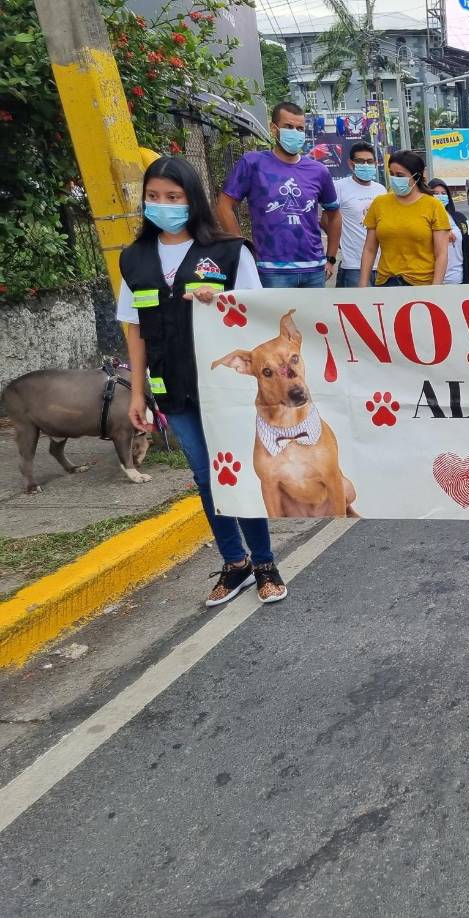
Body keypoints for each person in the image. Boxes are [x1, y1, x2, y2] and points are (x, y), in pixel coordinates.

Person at [119, 157, 287, 606]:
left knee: (235, 470)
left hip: (225, 389)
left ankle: (265, 562)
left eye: (173, 197)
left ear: (192, 199)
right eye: (154, 196)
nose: (163, 204)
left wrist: (225, 303)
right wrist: (137, 393)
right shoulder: (134, 259)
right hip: (171, 388)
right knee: (205, 475)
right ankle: (236, 564)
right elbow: (134, 330)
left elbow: (257, 318)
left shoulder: (230, 252)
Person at [217, 101, 340, 288]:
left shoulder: (318, 171)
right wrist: (242, 252)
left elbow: (334, 215)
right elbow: (224, 206)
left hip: (314, 270)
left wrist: (330, 258)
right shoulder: (253, 163)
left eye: (300, 128)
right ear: (274, 129)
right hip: (270, 271)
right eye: (288, 127)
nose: (295, 133)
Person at [358, 150, 450, 288]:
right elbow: (369, 249)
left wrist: (435, 288)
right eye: (392, 174)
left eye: (400, 175)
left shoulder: (434, 206)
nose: (395, 179)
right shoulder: (379, 203)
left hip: (422, 285)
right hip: (386, 283)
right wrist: (363, 284)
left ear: (416, 176)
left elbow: (441, 254)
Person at [334, 142, 384, 287]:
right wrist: (338, 242)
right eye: (360, 161)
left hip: (381, 266)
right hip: (353, 267)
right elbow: (327, 220)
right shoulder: (339, 187)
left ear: (375, 163)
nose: (366, 165)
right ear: (351, 164)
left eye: (369, 161)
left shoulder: (381, 190)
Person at [428, 178, 468, 284]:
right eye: (435, 193)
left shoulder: (459, 218)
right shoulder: (424, 219)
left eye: (443, 193)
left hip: (458, 279)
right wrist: (443, 233)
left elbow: (467, 247)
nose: (440, 196)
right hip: (433, 280)